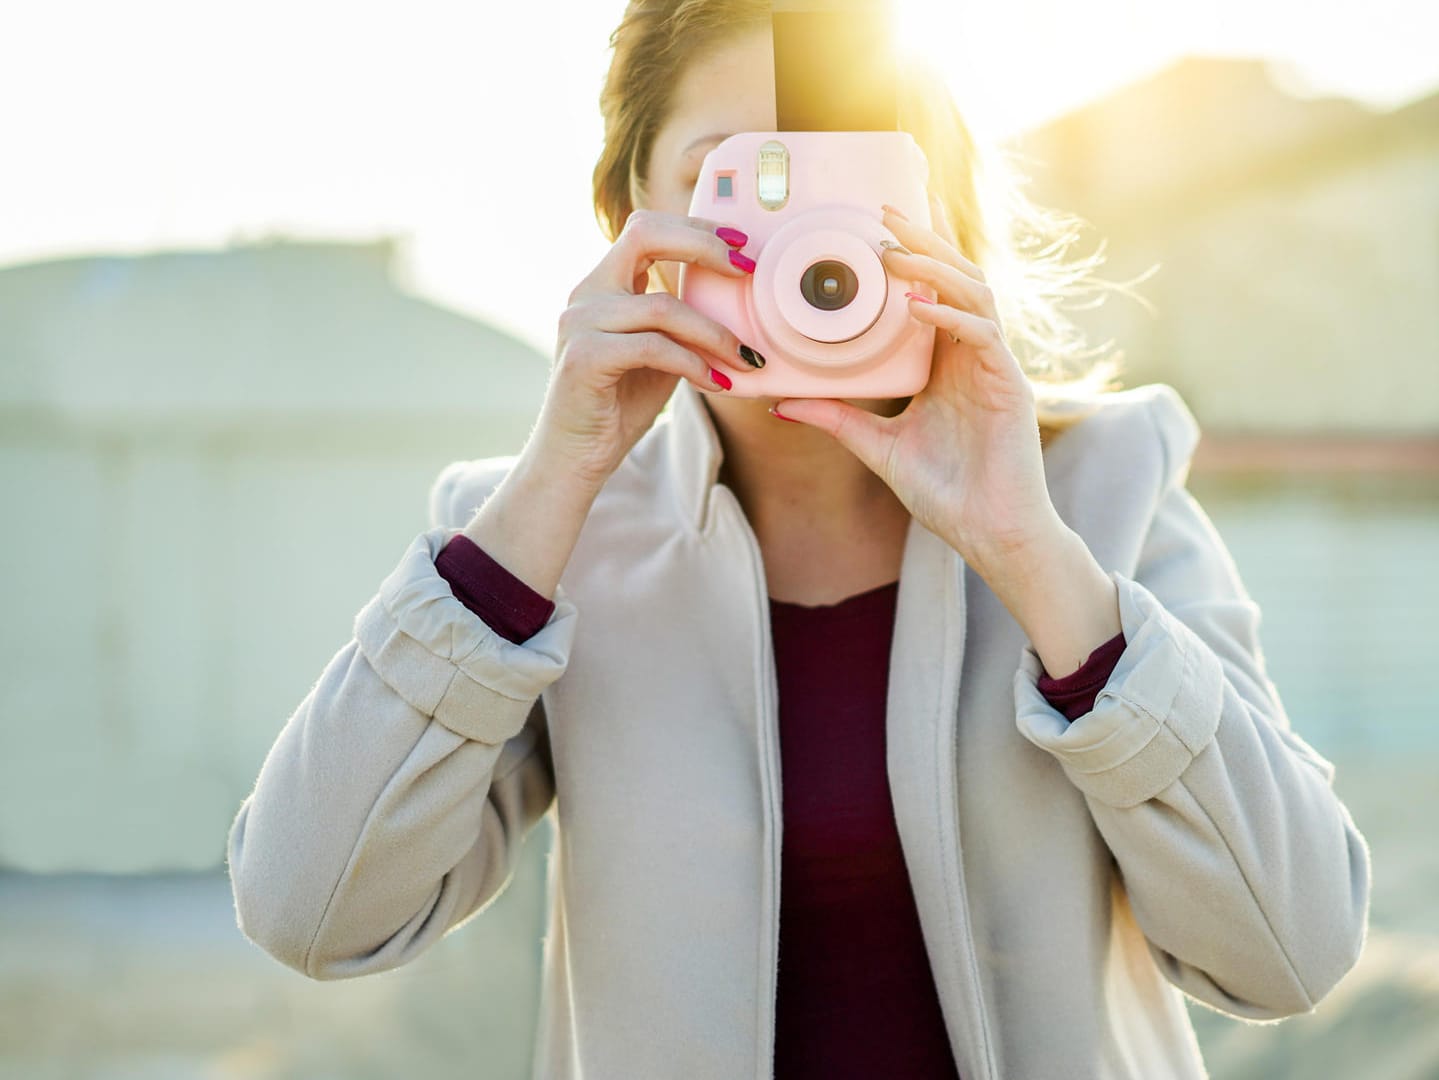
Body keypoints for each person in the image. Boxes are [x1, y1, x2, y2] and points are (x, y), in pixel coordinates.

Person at [225, 2, 1372, 1077]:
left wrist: (1031, 555)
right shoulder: (538, 544)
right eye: (739, 180)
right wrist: (552, 485)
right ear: (631, 216)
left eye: (855, 185)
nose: (798, 246)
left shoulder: (1106, 491)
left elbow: (1289, 950)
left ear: (940, 219)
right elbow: (312, 911)